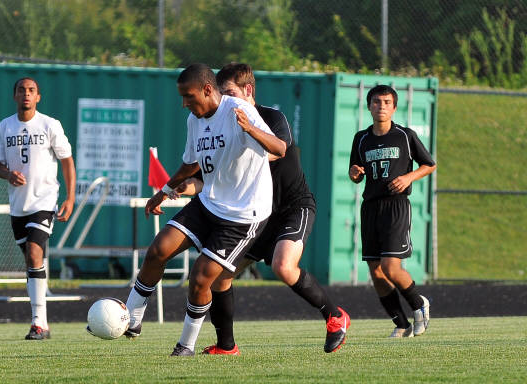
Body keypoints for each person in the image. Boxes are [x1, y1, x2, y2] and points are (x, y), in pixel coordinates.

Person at [172, 63, 350, 355]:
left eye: (230, 93)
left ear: (248, 90)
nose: (225, 100)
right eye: (221, 94)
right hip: (253, 216)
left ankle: (335, 316)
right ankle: (226, 346)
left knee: (283, 266)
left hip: (290, 207)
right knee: (219, 275)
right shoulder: (219, 123)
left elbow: (274, 151)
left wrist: (245, 134)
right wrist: (183, 187)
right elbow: (209, 178)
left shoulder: (271, 117)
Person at [123, 63, 286, 356]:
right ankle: (131, 320)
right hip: (210, 202)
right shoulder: (194, 120)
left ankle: (186, 345)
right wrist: (163, 192)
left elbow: (280, 148)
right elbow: (190, 164)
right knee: (158, 249)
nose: (184, 103)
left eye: (189, 96)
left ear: (208, 90)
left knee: (199, 278)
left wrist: (250, 129)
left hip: (243, 215)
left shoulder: (239, 110)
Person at [349, 84, 436, 338]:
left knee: (390, 267)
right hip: (370, 207)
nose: (382, 106)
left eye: (387, 102)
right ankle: (401, 324)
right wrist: (354, 174)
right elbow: (356, 173)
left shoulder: (405, 136)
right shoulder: (361, 138)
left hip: (395, 206)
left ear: (395, 107)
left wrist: (408, 177)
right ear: (369, 106)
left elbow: (429, 164)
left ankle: (419, 304)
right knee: (376, 273)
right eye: (377, 102)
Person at [0, 77, 76, 340]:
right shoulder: (5, 126)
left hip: (44, 201)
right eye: (22, 90)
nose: (26, 94)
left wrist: (70, 198)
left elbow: (67, 161)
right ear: (15, 96)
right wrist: (8, 174)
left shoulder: (50, 124)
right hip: (18, 205)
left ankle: (38, 322)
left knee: (34, 253)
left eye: (31, 91)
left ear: (38, 97)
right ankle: (42, 324)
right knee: (31, 262)